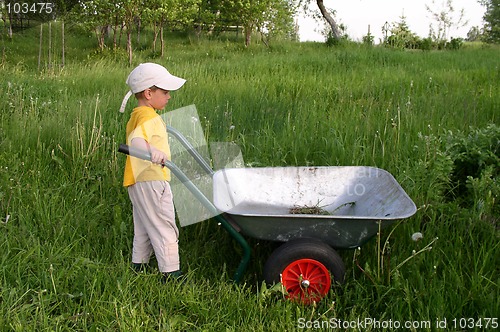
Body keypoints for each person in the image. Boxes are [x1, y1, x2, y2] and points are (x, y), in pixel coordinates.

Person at [120, 63, 186, 281]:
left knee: (144, 226)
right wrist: (153, 151)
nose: (169, 97)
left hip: (137, 181)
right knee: (164, 226)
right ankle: (171, 274)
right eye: (165, 92)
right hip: (152, 180)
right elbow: (137, 142)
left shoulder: (137, 114)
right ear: (149, 93)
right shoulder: (148, 117)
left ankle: (139, 266)